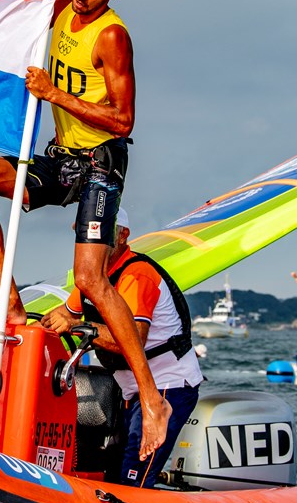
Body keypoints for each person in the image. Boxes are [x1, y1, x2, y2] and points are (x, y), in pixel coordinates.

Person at [0, 0, 170, 460]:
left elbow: (124, 121)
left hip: (101, 162)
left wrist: (55, 96)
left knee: (91, 278)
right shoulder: (58, 8)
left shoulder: (112, 35)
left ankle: (152, 396)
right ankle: (10, 300)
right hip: (61, 157)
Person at [41, 208, 201, 488]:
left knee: (134, 478)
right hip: (129, 391)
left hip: (167, 388)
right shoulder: (92, 278)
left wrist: (79, 327)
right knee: (112, 474)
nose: (91, 243)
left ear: (123, 236)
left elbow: (130, 340)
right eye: (85, 235)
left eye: (101, 234)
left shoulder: (137, 276)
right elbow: (60, 316)